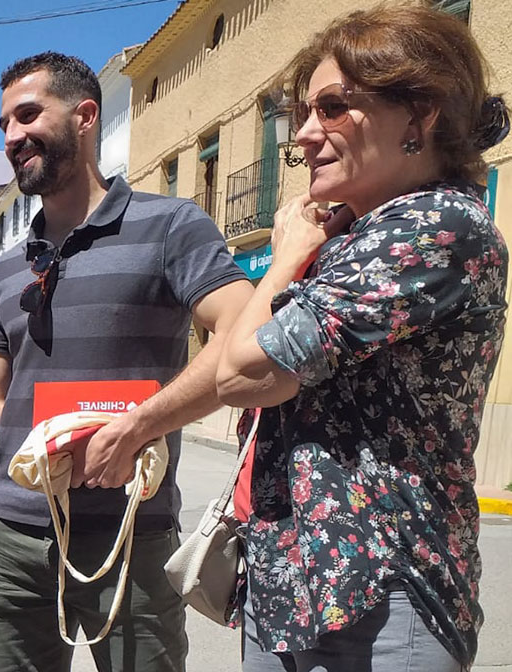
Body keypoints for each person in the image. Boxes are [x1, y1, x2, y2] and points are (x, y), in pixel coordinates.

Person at [0, 52, 254, 672]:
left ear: (86, 116)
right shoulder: (10, 265)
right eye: (4, 127)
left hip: (130, 537)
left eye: (27, 115)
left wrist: (140, 425)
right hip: (12, 543)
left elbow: (242, 331)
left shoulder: (172, 226)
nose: (13, 138)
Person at [215, 6, 510, 671]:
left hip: (380, 596)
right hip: (293, 581)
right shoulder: (358, 233)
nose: (304, 136)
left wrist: (288, 253)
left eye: (332, 109)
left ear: (420, 114)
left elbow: (239, 372)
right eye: (300, 114)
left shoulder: (434, 228)